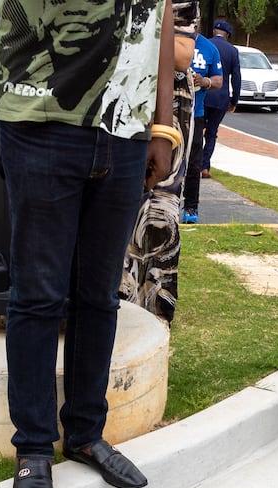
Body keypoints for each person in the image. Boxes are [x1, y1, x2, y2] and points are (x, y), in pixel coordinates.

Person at [0, 0, 174, 488]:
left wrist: (162, 125)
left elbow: (156, 26)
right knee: (38, 294)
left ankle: (85, 433)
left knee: (98, 295)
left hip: (123, 129)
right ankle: (32, 445)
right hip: (40, 120)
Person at [122, 1, 200, 322]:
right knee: (119, 210)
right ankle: (117, 308)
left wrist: (125, 36)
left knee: (158, 215)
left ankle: (155, 315)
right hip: (123, 100)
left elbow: (182, 54)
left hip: (169, 112)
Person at [181, 29, 224, 224]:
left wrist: (204, 81)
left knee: (193, 162)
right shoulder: (169, 40)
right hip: (168, 112)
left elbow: (218, 80)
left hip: (196, 113)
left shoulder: (209, 48)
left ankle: (191, 207)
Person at [200, 19, 241, 180]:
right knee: (211, 133)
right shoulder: (232, 51)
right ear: (228, 35)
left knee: (197, 130)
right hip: (221, 98)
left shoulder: (205, 45)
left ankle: (193, 163)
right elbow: (236, 77)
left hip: (203, 93)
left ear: (213, 32)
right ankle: (204, 167)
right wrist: (234, 101)